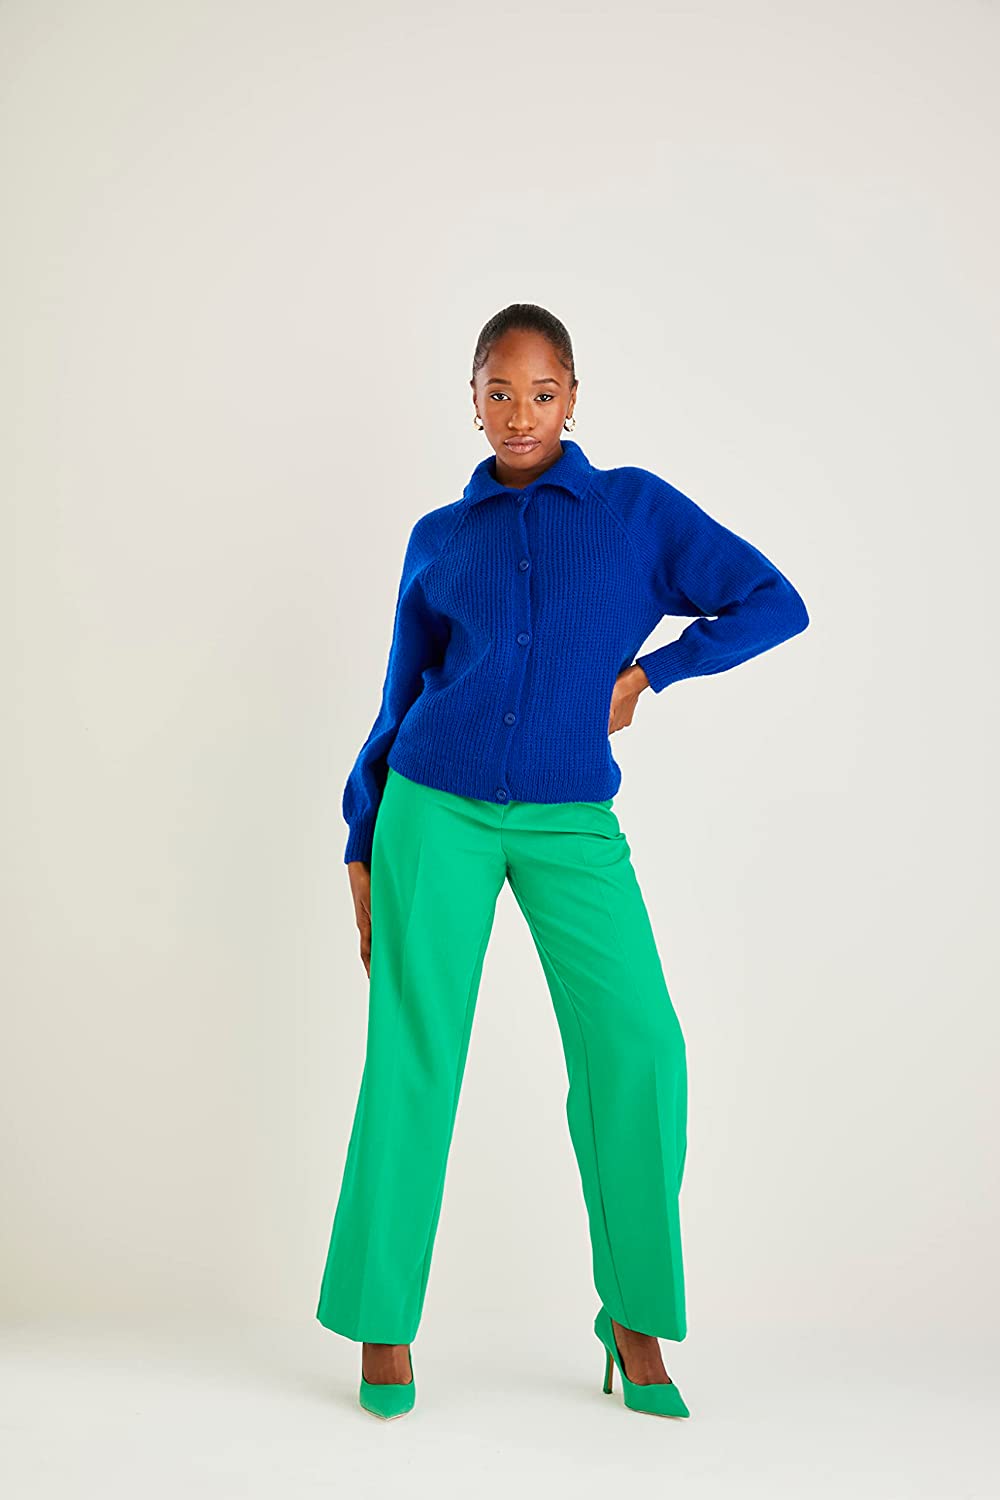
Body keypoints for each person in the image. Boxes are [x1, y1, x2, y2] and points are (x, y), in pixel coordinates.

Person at [316, 303, 809, 1420]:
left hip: (569, 817)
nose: (520, 414)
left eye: (542, 393)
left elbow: (772, 602)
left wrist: (653, 675)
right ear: (473, 400)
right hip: (432, 809)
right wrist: (361, 839)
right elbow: (399, 695)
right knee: (412, 1055)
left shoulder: (633, 512)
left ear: (574, 396)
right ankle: (383, 1320)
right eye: (499, 392)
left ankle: (632, 1317)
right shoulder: (441, 537)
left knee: (641, 1048)